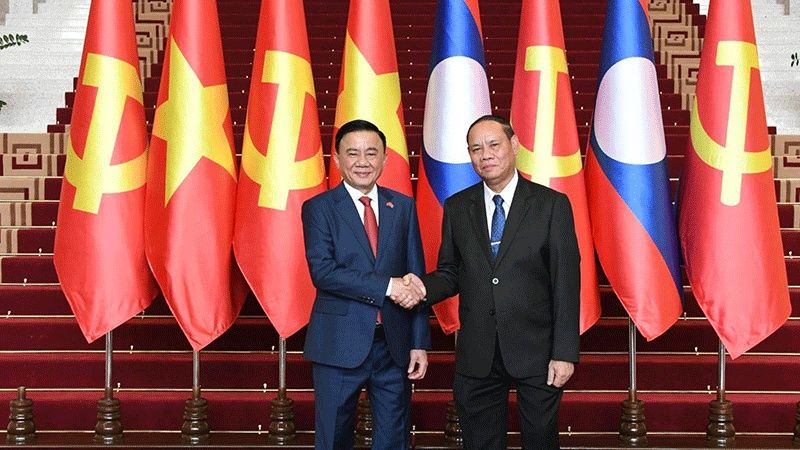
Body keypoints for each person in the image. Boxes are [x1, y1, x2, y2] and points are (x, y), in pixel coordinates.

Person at [405, 115, 580, 449]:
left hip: (538, 350)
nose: (485, 154)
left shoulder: (551, 204)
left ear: (513, 146)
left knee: (541, 440)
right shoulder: (457, 207)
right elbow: (450, 272)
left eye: (493, 144)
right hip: (478, 350)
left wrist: (564, 351)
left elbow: (566, 281)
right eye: (475, 148)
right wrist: (421, 288)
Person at [301, 119, 430, 450]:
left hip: (393, 344)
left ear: (385, 159)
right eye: (353, 153)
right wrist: (387, 286)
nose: (363, 162)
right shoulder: (319, 209)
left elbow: (414, 278)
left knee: (394, 439)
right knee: (333, 438)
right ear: (338, 158)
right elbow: (324, 272)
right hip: (338, 344)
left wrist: (419, 341)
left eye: (372, 153)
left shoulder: (402, 206)